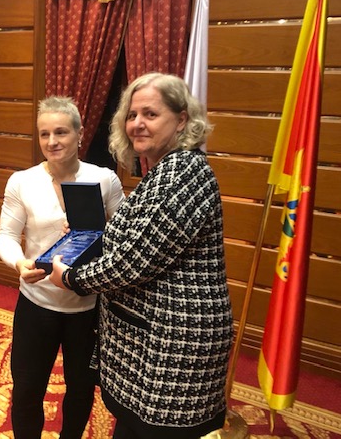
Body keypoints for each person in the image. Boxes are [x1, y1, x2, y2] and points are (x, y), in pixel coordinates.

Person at [43, 73, 234, 438]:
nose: (137, 124)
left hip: (172, 347)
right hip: (154, 340)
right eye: (132, 115)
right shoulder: (164, 169)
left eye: (150, 113)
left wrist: (71, 277)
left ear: (181, 120)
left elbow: (135, 260)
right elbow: (143, 240)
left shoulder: (183, 172)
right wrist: (95, 237)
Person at [0, 96, 124, 439]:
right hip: (36, 303)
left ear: (80, 134)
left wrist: (100, 233)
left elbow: (124, 239)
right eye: (44, 134)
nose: (52, 141)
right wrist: (19, 262)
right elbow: (6, 237)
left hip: (87, 307)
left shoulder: (105, 179)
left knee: (80, 389)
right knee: (27, 390)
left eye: (61, 132)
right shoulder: (22, 181)